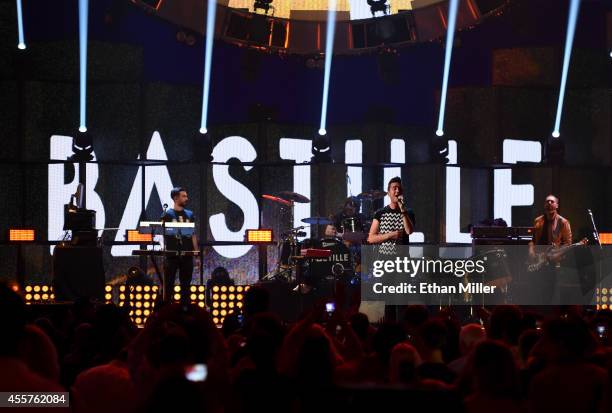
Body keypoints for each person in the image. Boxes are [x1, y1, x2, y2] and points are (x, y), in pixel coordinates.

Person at [528, 194, 572, 304]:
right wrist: (531, 251)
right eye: (547, 201)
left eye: (552, 202)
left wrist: (555, 255)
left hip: (553, 263)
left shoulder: (563, 222)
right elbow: (532, 240)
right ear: (544, 205)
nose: (549, 203)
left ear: (557, 205)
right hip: (539, 261)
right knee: (538, 293)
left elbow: (568, 244)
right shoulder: (538, 221)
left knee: (552, 293)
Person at [162, 187, 199, 304]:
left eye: (186, 196)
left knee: (186, 285)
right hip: (171, 254)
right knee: (169, 284)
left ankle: (185, 308)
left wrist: (196, 253)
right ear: (175, 198)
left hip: (187, 254)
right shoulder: (167, 214)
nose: (186, 198)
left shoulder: (189, 214)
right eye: (183, 196)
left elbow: (193, 234)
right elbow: (163, 234)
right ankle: (167, 308)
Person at [367, 176, 415, 255]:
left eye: (399, 188)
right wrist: (390, 235)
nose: (397, 191)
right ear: (388, 193)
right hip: (385, 259)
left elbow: (409, 231)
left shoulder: (408, 212)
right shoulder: (380, 213)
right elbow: (371, 238)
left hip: (402, 259)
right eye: (394, 188)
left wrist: (402, 209)